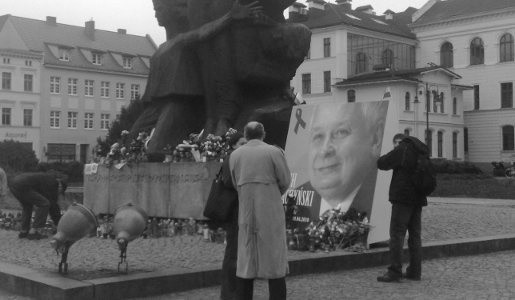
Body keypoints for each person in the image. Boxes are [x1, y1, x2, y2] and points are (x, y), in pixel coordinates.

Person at [131, 0, 263, 154]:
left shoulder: (181, 40)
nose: (156, 15)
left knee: (156, 149)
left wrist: (231, 17)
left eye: (159, 9)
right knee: (130, 139)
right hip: (156, 106)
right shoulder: (160, 48)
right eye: (155, 10)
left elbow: (203, 32)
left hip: (180, 104)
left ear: (175, 12)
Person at [295, 102, 388, 222]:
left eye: (341, 132)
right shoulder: (295, 200)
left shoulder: (383, 202)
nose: (324, 150)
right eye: (318, 136)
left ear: (375, 138)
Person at [229, 122, 291, 300]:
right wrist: (271, 192)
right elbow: (285, 180)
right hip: (270, 209)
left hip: (246, 210)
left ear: (246, 135)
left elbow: (235, 182)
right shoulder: (274, 152)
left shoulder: (235, 155)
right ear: (263, 134)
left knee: (246, 259)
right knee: (275, 259)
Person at [376, 134, 428, 282]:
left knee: (397, 235)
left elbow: (383, 163)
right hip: (418, 198)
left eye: (396, 143)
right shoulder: (420, 150)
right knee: (415, 235)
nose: (395, 146)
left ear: (400, 142)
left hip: (403, 199)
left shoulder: (402, 149)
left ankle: (394, 271)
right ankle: (415, 271)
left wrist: (382, 156)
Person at [220, 131, 247, 300]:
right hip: (234, 209)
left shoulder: (239, 159)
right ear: (233, 145)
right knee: (233, 252)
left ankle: (238, 290)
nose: (245, 147)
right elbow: (229, 182)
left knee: (239, 251)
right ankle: (230, 293)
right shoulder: (230, 159)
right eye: (241, 144)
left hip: (241, 208)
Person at [8, 172, 66, 240]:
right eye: (61, 190)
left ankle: (24, 231)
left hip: (13, 184)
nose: (59, 192)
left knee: (27, 206)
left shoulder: (46, 177)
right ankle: (35, 231)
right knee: (45, 204)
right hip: (22, 184)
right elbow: (53, 205)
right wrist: (58, 225)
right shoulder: (53, 183)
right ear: (60, 185)